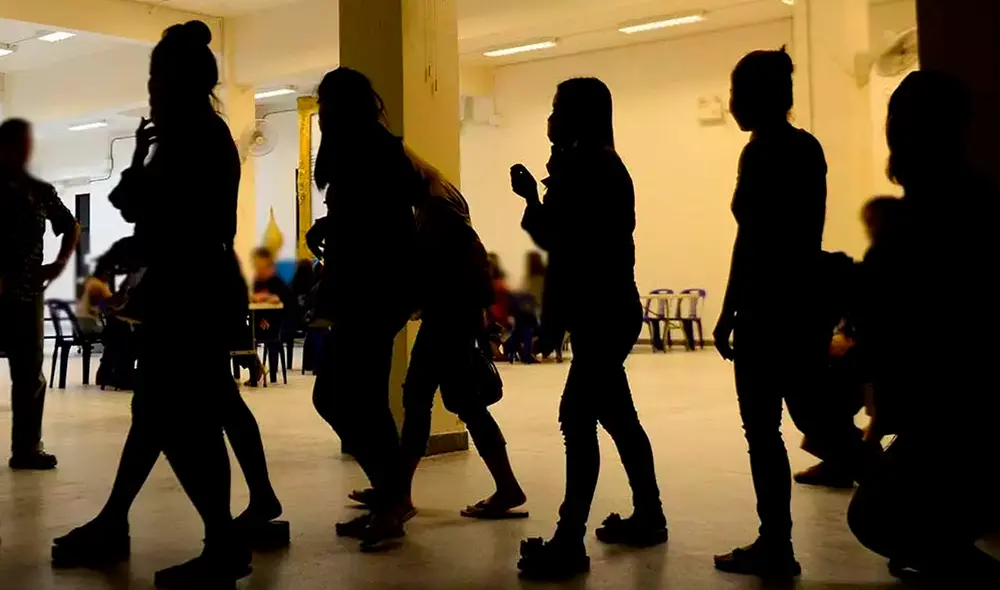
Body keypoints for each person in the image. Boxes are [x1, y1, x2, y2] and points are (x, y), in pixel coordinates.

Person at [49, 22, 260, 588]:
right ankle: (116, 520)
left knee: (179, 420)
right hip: (194, 287)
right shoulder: (195, 134)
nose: (151, 92)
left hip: (191, 293)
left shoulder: (194, 137)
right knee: (158, 414)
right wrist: (143, 157)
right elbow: (139, 206)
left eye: (155, 81)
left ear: (174, 84)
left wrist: (141, 168)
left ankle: (221, 542)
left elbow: (140, 207)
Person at [711, 48, 871, 578]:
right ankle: (921, 514)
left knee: (765, 431)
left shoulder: (761, 153)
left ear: (756, 96)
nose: (731, 104)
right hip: (801, 304)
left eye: (736, 93)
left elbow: (753, 240)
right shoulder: (805, 147)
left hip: (768, 307)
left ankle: (776, 544)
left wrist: (732, 308)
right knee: (819, 420)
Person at [847, 71, 1000, 583]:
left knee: (877, 514)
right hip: (966, 414)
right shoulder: (978, 203)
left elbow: (896, 331)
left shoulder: (917, 225)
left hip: (957, 419)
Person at [511, 77, 667, 580]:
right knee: (617, 417)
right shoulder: (596, 164)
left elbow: (567, 251)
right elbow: (561, 241)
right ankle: (649, 515)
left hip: (601, 311)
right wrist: (535, 196)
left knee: (577, 420)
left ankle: (569, 539)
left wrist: (551, 323)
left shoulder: (588, 168)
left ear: (579, 116)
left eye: (558, 109)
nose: (550, 119)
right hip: (609, 309)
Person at [346, 148, 527, 529]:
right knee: (455, 402)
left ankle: (400, 493)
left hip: (449, 316)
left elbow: (457, 262)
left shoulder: (437, 210)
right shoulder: (440, 200)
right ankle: (404, 489)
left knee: (423, 399)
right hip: (453, 315)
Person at [309, 67, 418, 552]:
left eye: (325, 104)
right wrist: (329, 227)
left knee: (350, 399)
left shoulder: (370, 149)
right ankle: (391, 496)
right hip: (368, 292)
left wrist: (337, 230)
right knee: (350, 398)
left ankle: (393, 500)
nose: (320, 114)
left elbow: (380, 225)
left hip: (373, 292)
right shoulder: (363, 148)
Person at [0, 118, 80, 471]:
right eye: (15, 144)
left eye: (26, 144)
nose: (22, 151)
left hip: (26, 293)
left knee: (29, 373)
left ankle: (27, 448)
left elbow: (71, 225)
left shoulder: (40, 191)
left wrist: (59, 264)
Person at [77, 262, 114, 336]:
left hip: (79, 325)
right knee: (117, 329)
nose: (110, 277)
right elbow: (103, 305)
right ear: (103, 273)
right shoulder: (97, 285)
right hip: (89, 326)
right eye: (109, 274)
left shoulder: (89, 281)